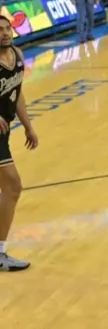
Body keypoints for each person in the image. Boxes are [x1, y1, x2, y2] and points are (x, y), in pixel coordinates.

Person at [0, 15, 38, 271]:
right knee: (13, 185)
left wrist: (28, 125)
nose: (4, 33)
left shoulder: (17, 54)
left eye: (6, 28)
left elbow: (18, 91)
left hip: (6, 131)